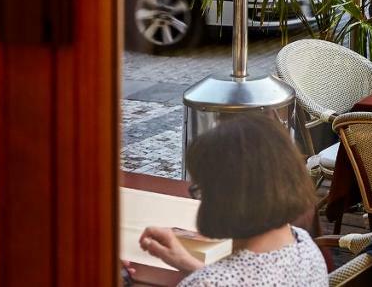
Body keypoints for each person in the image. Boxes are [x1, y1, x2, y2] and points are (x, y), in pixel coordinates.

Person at [136, 115, 327, 287]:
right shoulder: (305, 246)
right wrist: (187, 262)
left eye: (202, 189)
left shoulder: (206, 282)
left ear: (224, 197)